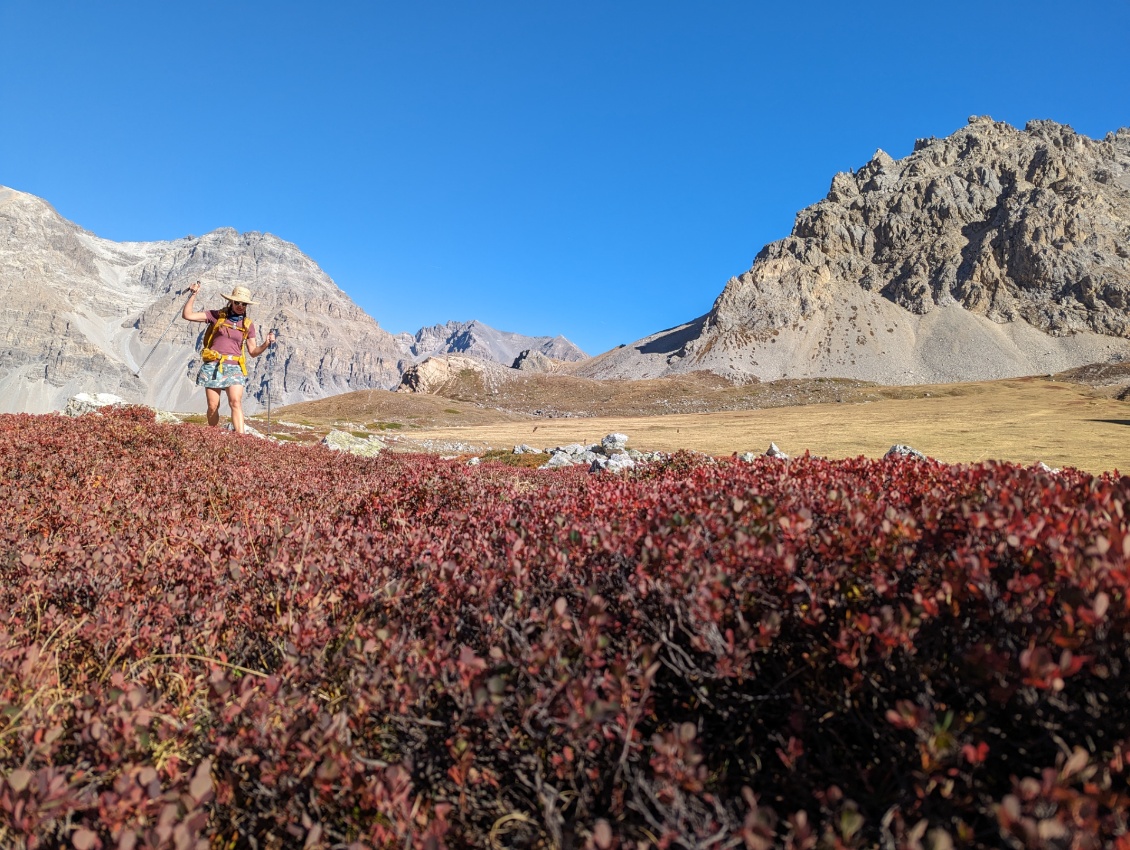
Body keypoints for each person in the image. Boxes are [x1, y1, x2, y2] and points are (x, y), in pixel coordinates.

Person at [182, 281, 275, 434]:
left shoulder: (247, 324)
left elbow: (252, 351)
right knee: (213, 406)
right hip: (213, 364)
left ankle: (241, 439)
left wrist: (266, 343)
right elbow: (188, 315)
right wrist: (194, 294)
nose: (240, 306)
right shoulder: (216, 315)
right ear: (231, 301)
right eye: (237, 302)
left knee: (236, 402)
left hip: (234, 366)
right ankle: (213, 435)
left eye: (244, 304)